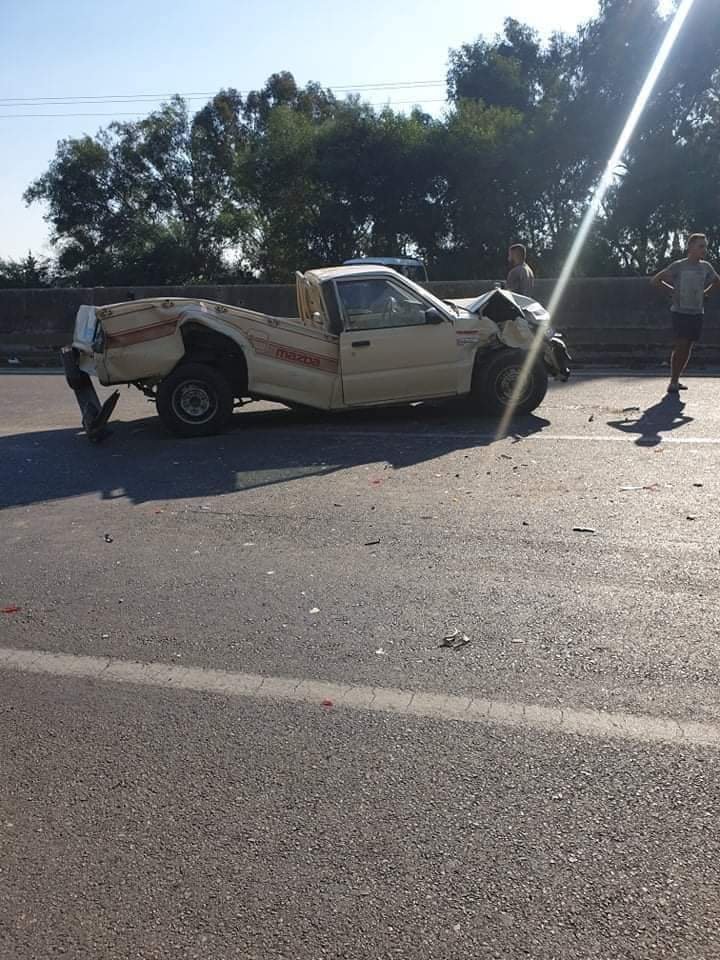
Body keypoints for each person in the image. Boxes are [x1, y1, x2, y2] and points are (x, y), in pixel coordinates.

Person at [652, 234, 720, 393]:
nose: (704, 250)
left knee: (688, 346)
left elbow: (717, 281)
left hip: (697, 312)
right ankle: (673, 381)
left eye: (705, 246)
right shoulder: (679, 265)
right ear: (690, 247)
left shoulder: (706, 267)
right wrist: (672, 292)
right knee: (681, 345)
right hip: (680, 312)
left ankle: (676, 379)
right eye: (701, 246)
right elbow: (656, 280)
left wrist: (705, 293)